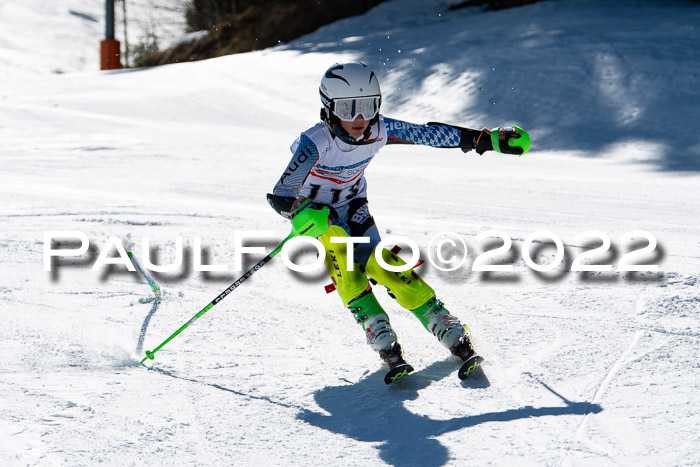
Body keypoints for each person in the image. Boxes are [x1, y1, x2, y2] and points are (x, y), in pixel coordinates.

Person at [267, 61, 529, 383]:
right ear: (329, 108)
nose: (360, 119)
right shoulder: (315, 142)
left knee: (382, 264)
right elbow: (280, 195)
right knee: (345, 264)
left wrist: (483, 140)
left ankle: (442, 321)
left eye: (368, 106)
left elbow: (428, 134)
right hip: (321, 218)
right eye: (349, 109)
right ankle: (379, 331)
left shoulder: (379, 130)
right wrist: (300, 211)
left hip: (354, 206)